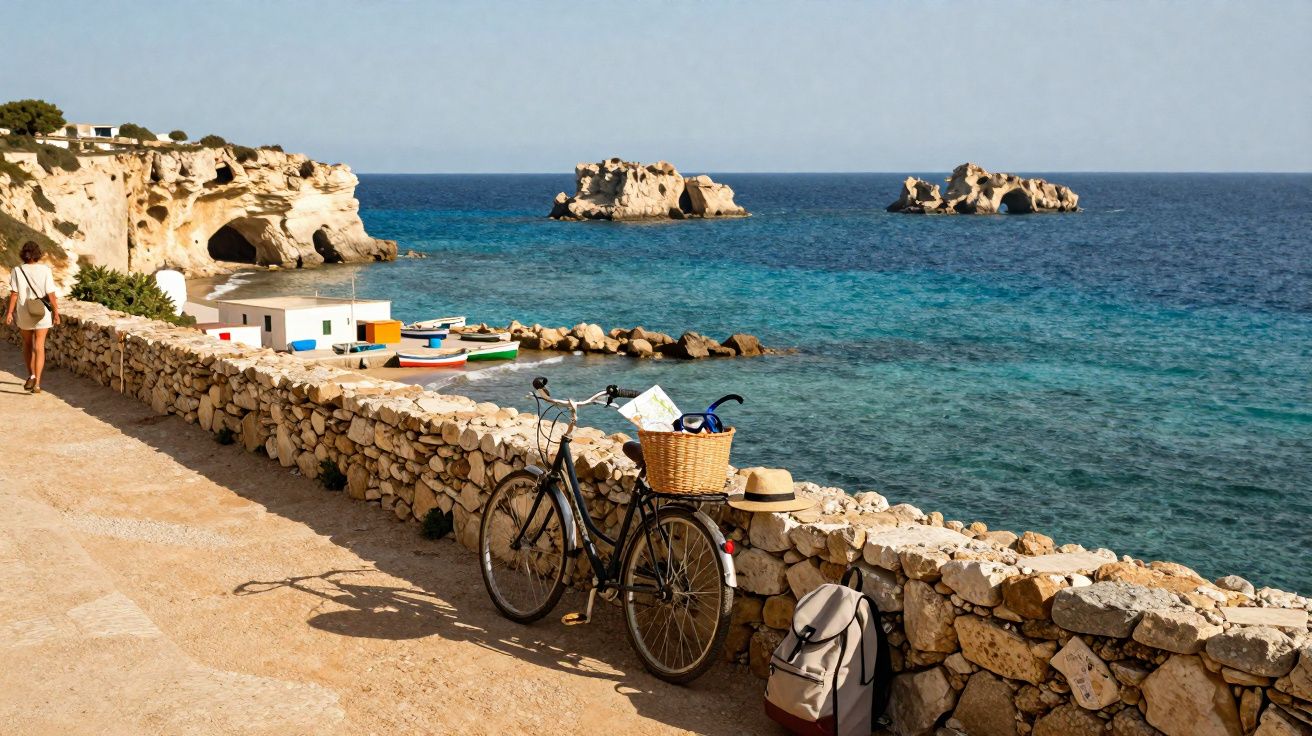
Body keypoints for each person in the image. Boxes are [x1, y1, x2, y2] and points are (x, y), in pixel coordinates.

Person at [4, 241, 60, 393]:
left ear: (23, 254)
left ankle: (32, 375)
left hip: (24, 312)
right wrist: (56, 312)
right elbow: (51, 293)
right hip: (42, 311)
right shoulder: (45, 270)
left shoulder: (17, 270)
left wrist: (9, 313)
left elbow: (14, 294)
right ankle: (37, 384)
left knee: (28, 345)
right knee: (39, 346)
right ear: (38, 253)